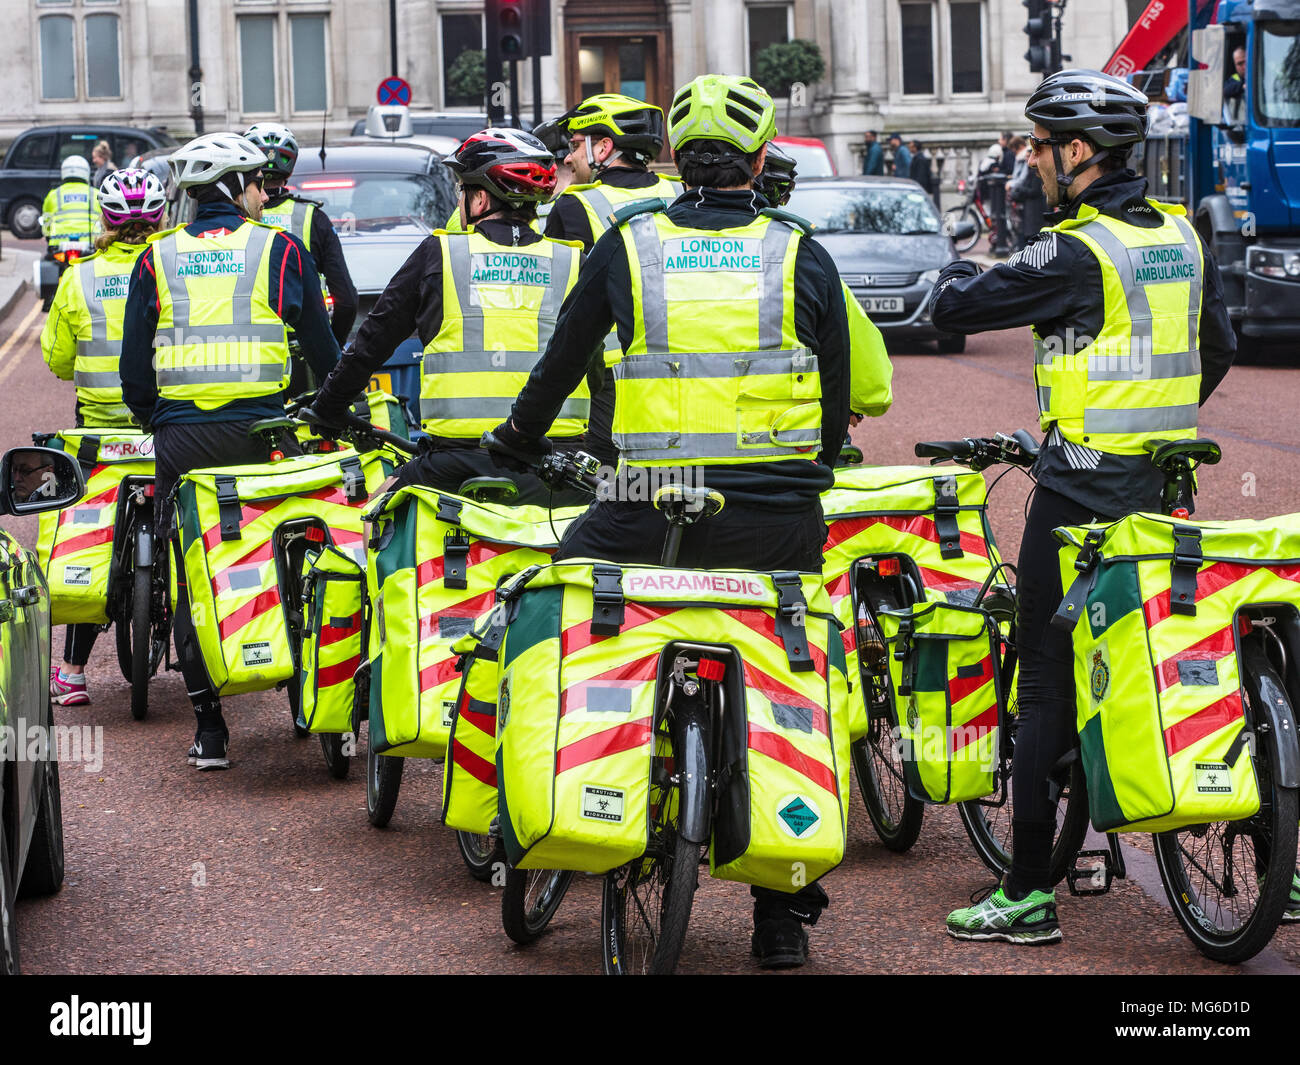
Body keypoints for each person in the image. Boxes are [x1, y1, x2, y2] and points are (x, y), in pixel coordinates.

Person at [489, 73, 851, 969]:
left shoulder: (628, 243)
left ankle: (547, 810)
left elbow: (562, 361)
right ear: (763, 159)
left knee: (541, 598)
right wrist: (812, 461)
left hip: (643, 505)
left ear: (676, 162)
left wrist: (515, 441)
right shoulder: (798, 248)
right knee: (796, 676)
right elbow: (837, 401)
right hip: (774, 511)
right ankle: (781, 909)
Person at [928, 70, 1236, 944]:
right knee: (1179, 654)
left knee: (1041, 687)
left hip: (1077, 497)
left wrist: (967, 260)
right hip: (1164, 487)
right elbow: (1218, 347)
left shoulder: (1076, 251)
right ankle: (1271, 863)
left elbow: (957, 303)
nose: (1029, 158)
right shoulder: (1181, 232)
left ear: (1076, 153)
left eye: (1038, 144)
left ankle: (1026, 891)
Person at [120, 132, 341, 770]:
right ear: (234, 187)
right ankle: (301, 682)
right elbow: (324, 352)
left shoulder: (155, 259)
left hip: (183, 437)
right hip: (264, 431)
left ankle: (210, 728)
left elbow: (136, 368)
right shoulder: (280, 250)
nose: (263, 195)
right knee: (282, 544)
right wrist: (330, 410)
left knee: (191, 571)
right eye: (256, 185)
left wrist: (157, 419)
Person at [307, 129, 594, 506]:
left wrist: (327, 407)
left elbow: (372, 342)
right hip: (555, 468)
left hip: (453, 466)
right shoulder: (573, 262)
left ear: (479, 198)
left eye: (462, 189)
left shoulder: (440, 255)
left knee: (372, 519)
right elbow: (602, 371)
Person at [42, 168, 168, 707]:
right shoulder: (171, 265)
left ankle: (72, 671)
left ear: (106, 220)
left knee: (90, 536)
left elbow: (56, 359)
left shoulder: (80, 278)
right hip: (163, 424)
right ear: (161, 216)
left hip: (100, 432)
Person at [539, 93, 682, 468]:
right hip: (686, 367)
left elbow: (562, 307)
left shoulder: (574, 205)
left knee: (613, 482)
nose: (568, 159)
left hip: (613, 377)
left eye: (574, 147)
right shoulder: (680, 193)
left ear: (603, 147)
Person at [244, 122, 359, 353]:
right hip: (306, 347)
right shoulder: (313, 218)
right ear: (290, 168)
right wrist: (330, 345)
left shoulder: (235, 217)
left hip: (249, 347)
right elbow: (346, 300)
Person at [41, 156, 99, 259]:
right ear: (86, 172)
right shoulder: (95, 194)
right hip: (91, 245)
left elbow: (46, 225)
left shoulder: (53, 194)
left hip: (58, 244)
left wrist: (49, 237)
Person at [1006, 134, 1047, 250]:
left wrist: (1018, 191)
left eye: (1030, 156)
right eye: (1027, 157)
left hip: (1034, 213)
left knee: (1031, 240)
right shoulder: (1031, 171)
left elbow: (1034, 191)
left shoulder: (1035, 173)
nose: (1029, 161)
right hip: (1029, 212)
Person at [1223, 46, 1247, 125]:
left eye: (1246, 62)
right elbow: (1225, 90)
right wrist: (1242, 87)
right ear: (1235, 66)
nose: (1244, 67)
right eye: (1240, 64)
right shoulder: (1235, 78)